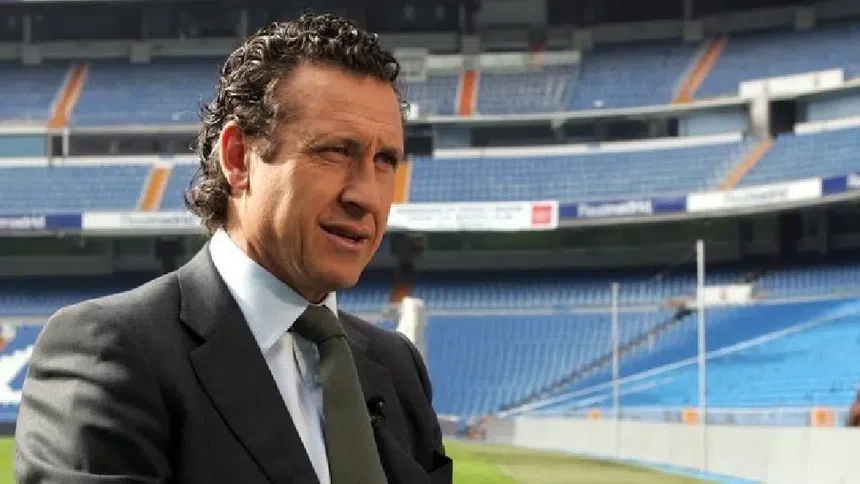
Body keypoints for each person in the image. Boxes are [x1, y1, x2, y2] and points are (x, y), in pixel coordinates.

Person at [14, 13, 452, 484]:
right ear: (238, 158)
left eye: (385, 160)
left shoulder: (398, 368)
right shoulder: (113, 351)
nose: (365, 195)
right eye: (335, 151)